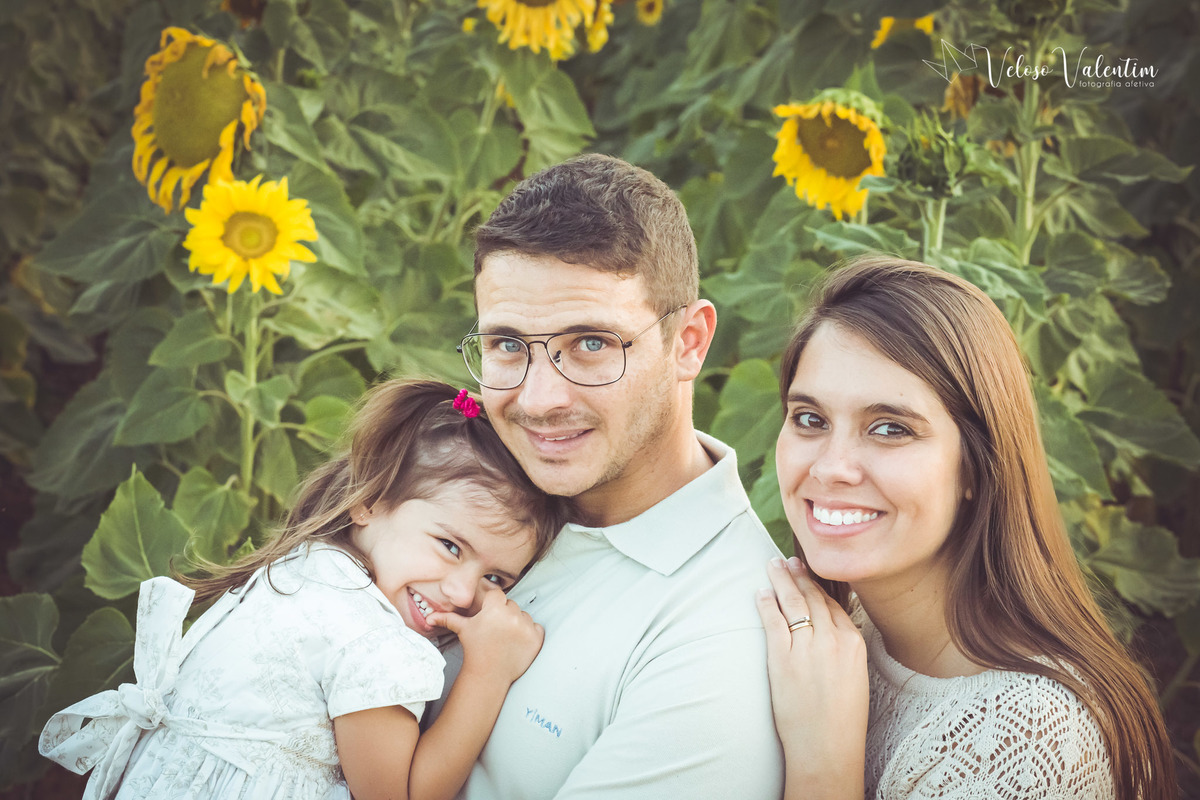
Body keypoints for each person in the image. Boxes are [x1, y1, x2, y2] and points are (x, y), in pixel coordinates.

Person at [756, 256, 1176, 800]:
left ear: (976, 467)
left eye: (889, 429)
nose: (832, 466)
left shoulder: (1027, 737)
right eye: (810, 419)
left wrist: (822, 762)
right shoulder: (828, 634)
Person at [433, 153, 785, 798]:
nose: (538, 400)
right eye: (508, 344)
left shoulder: (714, 641)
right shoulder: (472, 495)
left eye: (591, 343)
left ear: (689, 343)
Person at [40, 379, 565, 800]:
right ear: (370, 501)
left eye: (496, 578)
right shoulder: (372, 642)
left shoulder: (309, 569)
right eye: (450, 546)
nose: (463, 591)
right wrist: (488, 671)